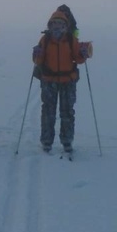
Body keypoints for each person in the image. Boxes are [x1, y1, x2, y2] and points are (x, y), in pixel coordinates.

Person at [32, 9, 88, 153]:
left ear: (65, 26)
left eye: (61, 24)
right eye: (54, 24)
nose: (57, 27)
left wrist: (83, 53)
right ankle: (46, 141)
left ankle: (67, 141)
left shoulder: (71, 40)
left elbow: (79, 59)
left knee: (67, 112)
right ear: (50, 25)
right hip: (49, 81)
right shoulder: (45, 40)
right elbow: (38, 61)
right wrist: (36, 54)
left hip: (68, 81)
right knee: (48, 112)